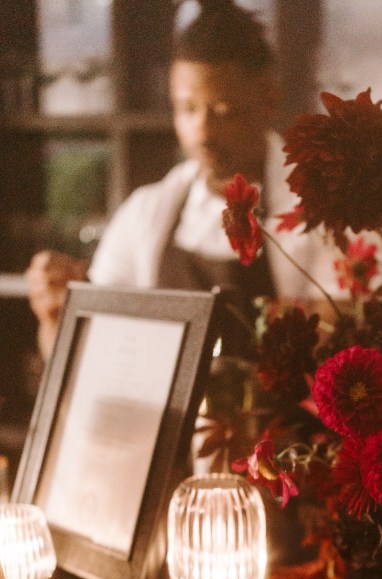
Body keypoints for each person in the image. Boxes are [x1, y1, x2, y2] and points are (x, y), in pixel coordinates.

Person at [25, 0, 339, 361]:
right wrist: (56, 317)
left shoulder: (325, 209)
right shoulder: (146, 211)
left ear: (269, 98)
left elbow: (336, 343)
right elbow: (87, 354)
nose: (202, 132)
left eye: (222, 110)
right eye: (188, 109)